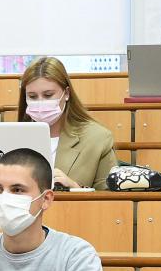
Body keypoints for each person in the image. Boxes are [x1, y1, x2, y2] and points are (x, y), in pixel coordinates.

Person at [17, 56, 118, 190]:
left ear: (66, 94)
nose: (40, 102)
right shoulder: (15, 137)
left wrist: (75, 188)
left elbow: (111, 197)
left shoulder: (98, 139)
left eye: (48, 95)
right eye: (32, 96)